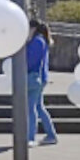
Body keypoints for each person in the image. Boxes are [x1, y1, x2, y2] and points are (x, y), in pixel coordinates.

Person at [26, 19, 59, 147]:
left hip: (34, 78)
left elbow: (31, 61)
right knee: (38, 107)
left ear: (33, 28)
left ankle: (30, 137)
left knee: (31, 108)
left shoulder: (36, 41)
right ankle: (51, 135)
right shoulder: (40, 40)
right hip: (39, 78)